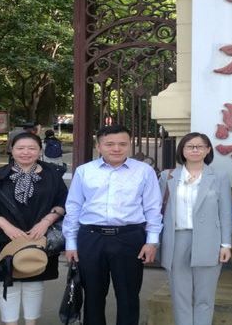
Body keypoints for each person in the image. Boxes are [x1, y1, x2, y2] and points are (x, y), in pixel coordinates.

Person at [63, 124, 162, 325]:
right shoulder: (84, 171)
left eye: (122, 144)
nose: (116, 148)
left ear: (129, 145)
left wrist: (152, 241)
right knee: (93, 296)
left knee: (128, 296)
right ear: (98, 146)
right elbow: (73, 207)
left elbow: (153, 208)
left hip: (129, 238)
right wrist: (71, 243)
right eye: (109, 144)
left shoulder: (144, 171)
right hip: (91, 238)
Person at [0, 132, 68, 325]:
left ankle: (31, 322)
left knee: (34, 280)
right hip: (5, 237)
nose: (26, 152)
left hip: (39, 236)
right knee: (8, 281)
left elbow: (63, 202)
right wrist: (7, 227)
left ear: (40, 150)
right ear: (11, 150)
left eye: (32, 148)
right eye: (20, 148)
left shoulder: (52, 175)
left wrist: (46, 222)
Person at [159, 132, 232, 325]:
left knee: (205, 296)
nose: (195, 150)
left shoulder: (219, 176)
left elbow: (225, 212)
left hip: (209, 240)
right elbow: (157, 210)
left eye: (200, 146)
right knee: (180, 295)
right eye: (190, 146)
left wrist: (226, 244)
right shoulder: (168, 176)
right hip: (177, 239)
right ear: (182, 150)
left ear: (208, 150)